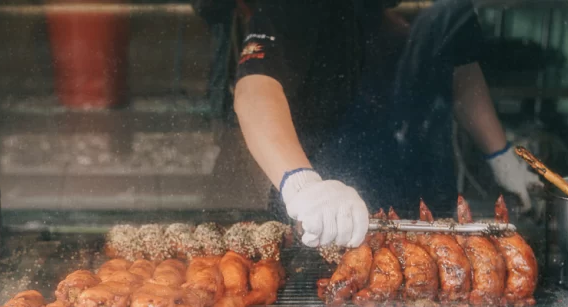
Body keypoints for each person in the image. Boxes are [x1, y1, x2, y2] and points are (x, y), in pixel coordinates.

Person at [232, 0, 542, 248]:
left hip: (427, 200)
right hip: (326, 212)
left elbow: (461, 68)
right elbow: (255, 89)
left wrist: (499, 155)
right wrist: (302, 185)